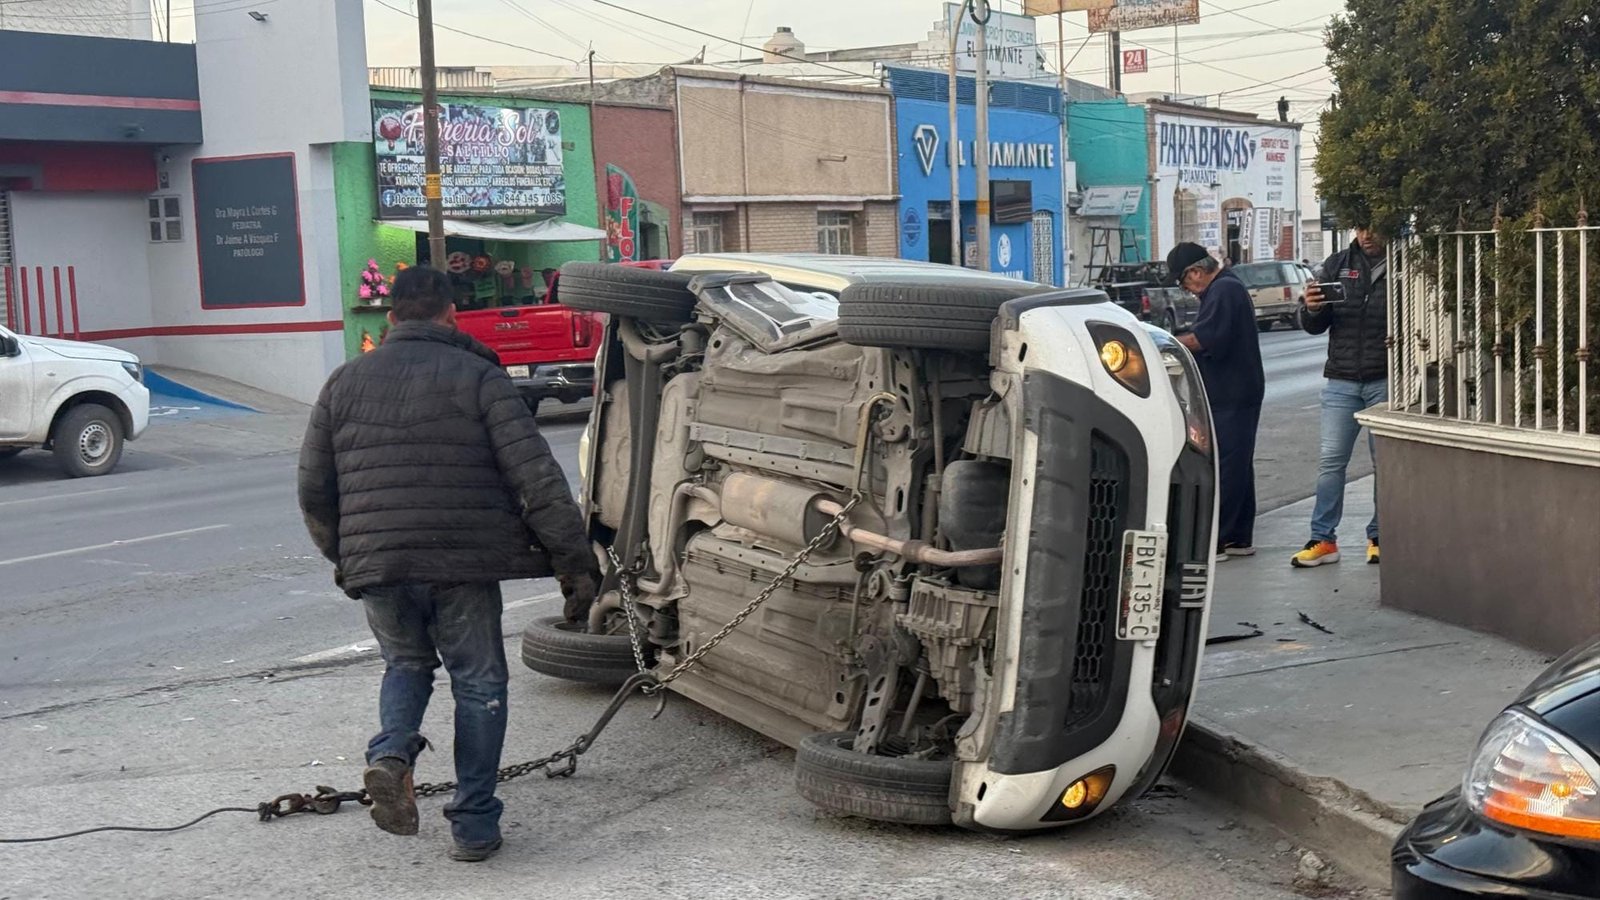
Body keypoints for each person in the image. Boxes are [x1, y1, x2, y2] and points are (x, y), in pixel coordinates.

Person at [298, 266, 600, 862]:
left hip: (380, 561)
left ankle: (390, 755)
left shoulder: (343, 382)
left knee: (406, 664)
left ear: (390, 318)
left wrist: (348, 556)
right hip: (462, 562)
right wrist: (576, 567)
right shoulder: (480, 377)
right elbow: (537, 478)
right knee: (479, 683)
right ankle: (475, 822)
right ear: (451, 314)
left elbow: (314, 489)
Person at [1292, 227, 1390, 568]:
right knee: (1331, 462)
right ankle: (1323, 539)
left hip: (1386, 377)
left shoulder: (1404, 263)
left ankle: (1380, 537)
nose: (1366, 235)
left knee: (1386, 464)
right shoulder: (1336, 264)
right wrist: (1313, 308)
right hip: (1342, 379)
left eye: (1372, 227)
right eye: (1360, 228)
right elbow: (1314, 325)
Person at [1167, 242, 1265, 561]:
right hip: (1236, 389)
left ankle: (1219, 539)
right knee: (1237, 463)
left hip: (1232, 392)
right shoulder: (1228, 287)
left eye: (1185, 283)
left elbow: (1202, 339)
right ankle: (1238, 536)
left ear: (1196, 272)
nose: (1187, 290)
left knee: (1225, 466)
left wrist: (1162, 344)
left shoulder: (1223, 290)